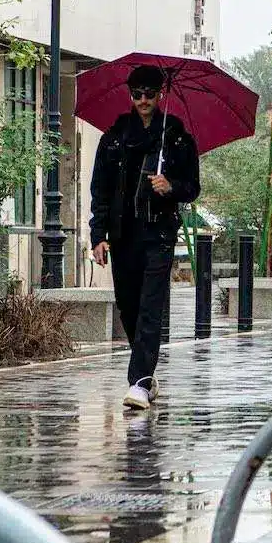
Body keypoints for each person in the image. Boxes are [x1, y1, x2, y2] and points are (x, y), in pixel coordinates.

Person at [90, 65, 200, 410]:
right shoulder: (114, 138)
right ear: (130, 96)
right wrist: (98, 235)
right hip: (123, 236)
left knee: (151, 307)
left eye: (149, 94)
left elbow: (193, 188)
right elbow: (101, 191)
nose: (143, 101)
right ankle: (148, 378)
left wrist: (171, 187)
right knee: (129, 306)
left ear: (160, 94)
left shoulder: (178, 138)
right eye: (136, 95)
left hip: (160, 234)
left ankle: (137, 382)